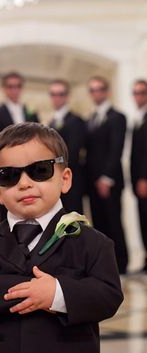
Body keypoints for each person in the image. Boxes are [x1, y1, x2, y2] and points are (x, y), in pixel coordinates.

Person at [0, 122, 123, 353]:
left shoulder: (93, 242)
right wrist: (31, 290)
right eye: (9, 176)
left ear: (65, 179)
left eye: (39, 170)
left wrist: (56, 293)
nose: (24, 184)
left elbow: (108, 296)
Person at [86, 76, 128, 274]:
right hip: (92, 183)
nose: (96, 93)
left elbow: (116, 150)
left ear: (107, 90)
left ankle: (122, 265)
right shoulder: (91, 119)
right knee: (99, 226)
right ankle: (106, 267)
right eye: (93, 90)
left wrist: (106, 178)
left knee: (114, 224)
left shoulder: (117, 117)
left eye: (99, 89)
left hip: (109, 182)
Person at [0, 71, 39, 221]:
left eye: (17, 86)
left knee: (31, 209)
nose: (14, 90)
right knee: (8, 212)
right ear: (4, 88)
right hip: (8, 171)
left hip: (31, 170)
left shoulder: (30, 113)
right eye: (10, 86)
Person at [48, 79, 86, 213]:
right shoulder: (51, 122)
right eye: (53, 94)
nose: (57, 98)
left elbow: (72, 153)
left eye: (61, 94)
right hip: (54, 180)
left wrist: (52, 162)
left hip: (71, 179)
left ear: (67, 96)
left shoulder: (76, 121)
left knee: (73, 220)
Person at [130, 79, 147, 273]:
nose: (138, 96)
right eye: (135, 93)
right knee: (142, 219)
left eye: (142, 92)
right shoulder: (138, 118)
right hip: (137, 179)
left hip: (144, 179)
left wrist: (143, 177)